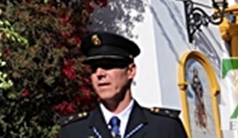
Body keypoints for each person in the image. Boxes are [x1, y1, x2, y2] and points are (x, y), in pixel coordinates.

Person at [59, 32, 188, 138]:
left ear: (130, 71)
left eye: (108, 66)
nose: (99, 74)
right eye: (94, 68)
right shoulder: (73, 132)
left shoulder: (165, 127)